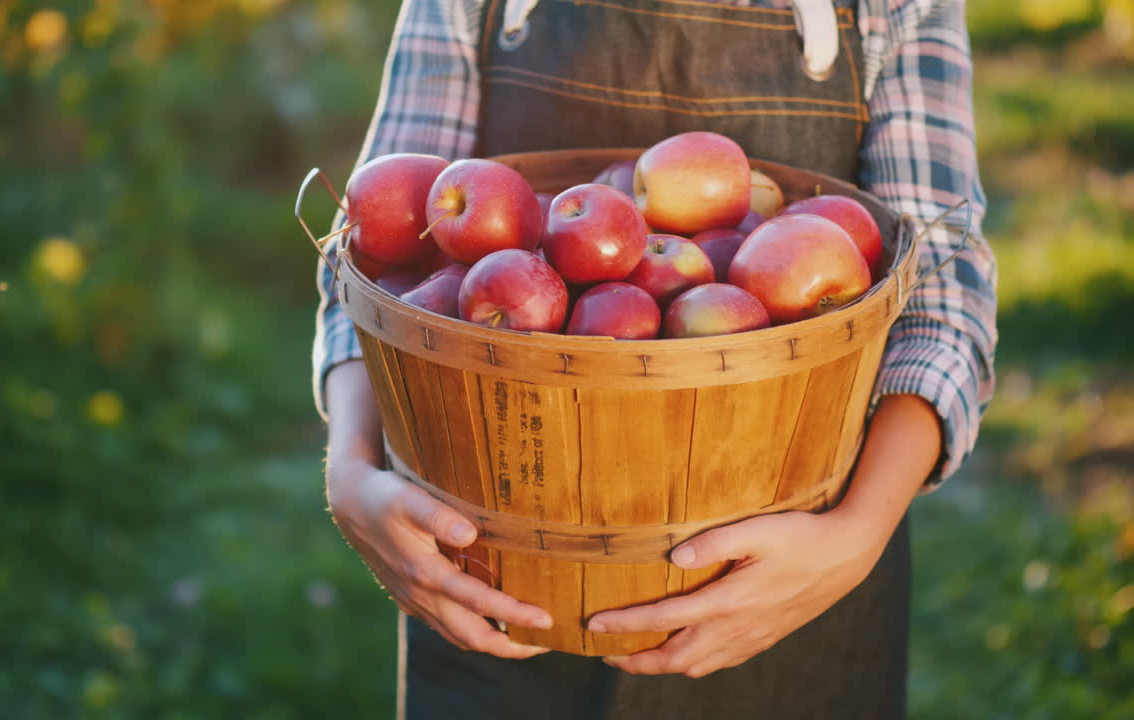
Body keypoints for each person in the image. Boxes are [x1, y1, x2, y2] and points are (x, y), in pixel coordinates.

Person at [312, 0, 997, 717]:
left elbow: (940, 294)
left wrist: (854, 535)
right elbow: (371, 255)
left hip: (795, 578)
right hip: (490, 566)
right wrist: (352, 468)